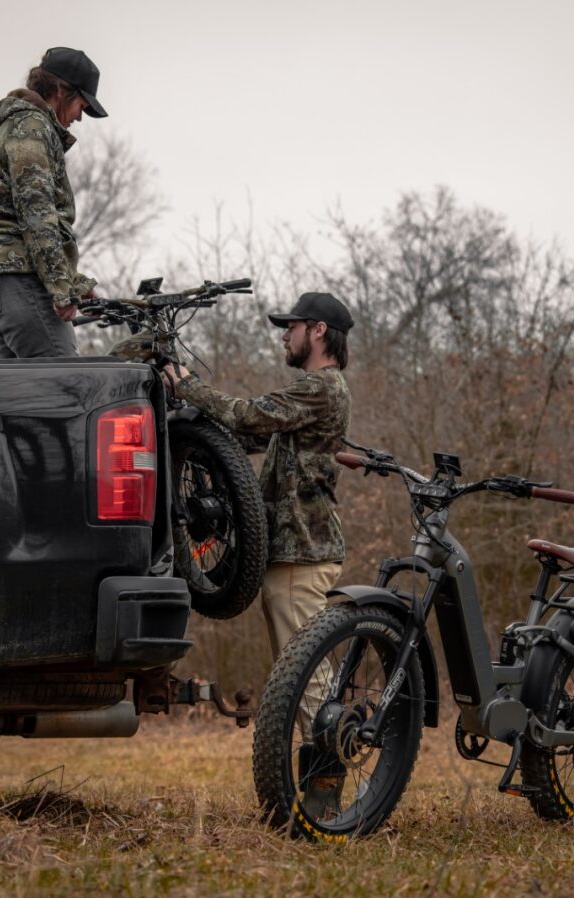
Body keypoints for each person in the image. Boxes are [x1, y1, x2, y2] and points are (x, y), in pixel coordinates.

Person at [161, 291, 353, 817]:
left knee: (308, 678)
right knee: (301, 673)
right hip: (292, 555)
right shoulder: (317, 391)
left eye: (289, 327)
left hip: (302, 556)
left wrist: (189, 387)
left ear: (317, 331)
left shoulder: (320, 386)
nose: (283, 336)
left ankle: (324, 799)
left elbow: (249, 416)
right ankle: (316, 795)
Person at [0, 47, 107, 358]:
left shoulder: (26, 126)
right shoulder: (31, 127)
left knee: (23, 401)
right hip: (17, 280)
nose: (80, 117)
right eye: (81, 105)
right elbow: (37, 215)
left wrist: (77, 283)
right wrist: (61, 289)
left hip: (5, 279)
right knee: (66, 390)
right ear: (59, 91)